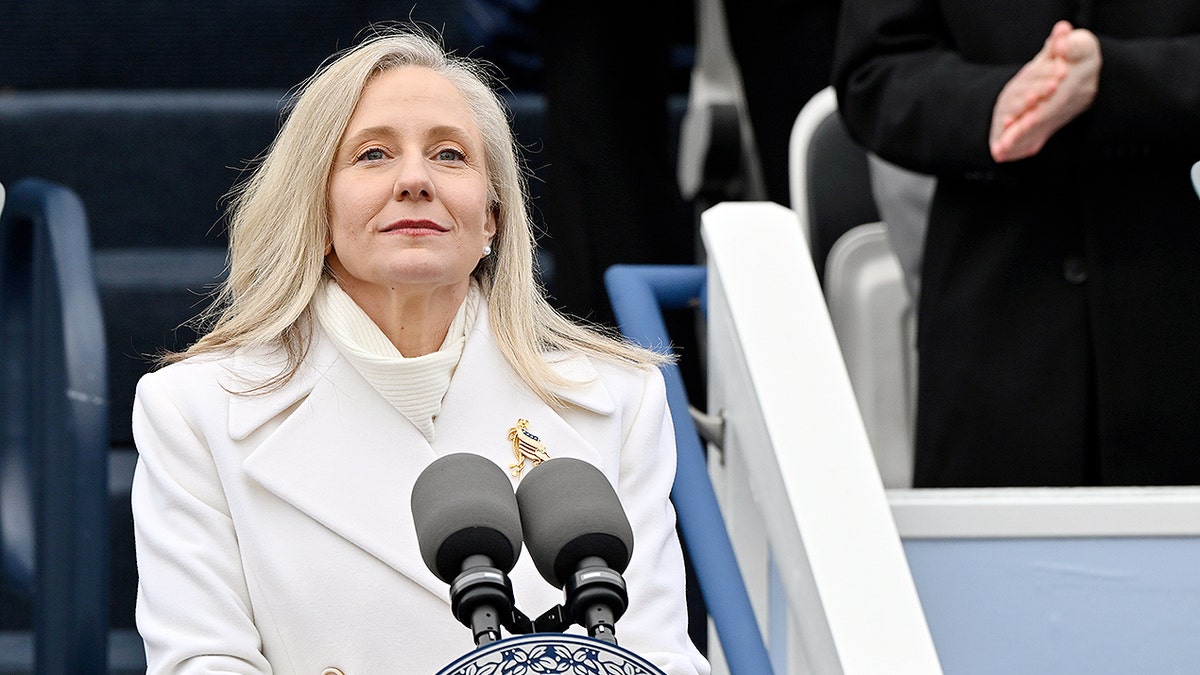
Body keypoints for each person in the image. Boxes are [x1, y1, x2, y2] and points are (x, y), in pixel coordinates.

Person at [130, 25, 710, 674]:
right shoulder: (193, 411)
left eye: (450, 155)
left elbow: (659, 655)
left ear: (491, 216)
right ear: (318, 211)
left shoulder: (621, 401)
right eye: (374, 154)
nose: (415, 179)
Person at [833, 5, 1200, 487]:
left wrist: (1120, 79)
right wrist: (991, 102)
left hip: (1175, 317)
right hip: (993, 326)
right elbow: (873, 70)